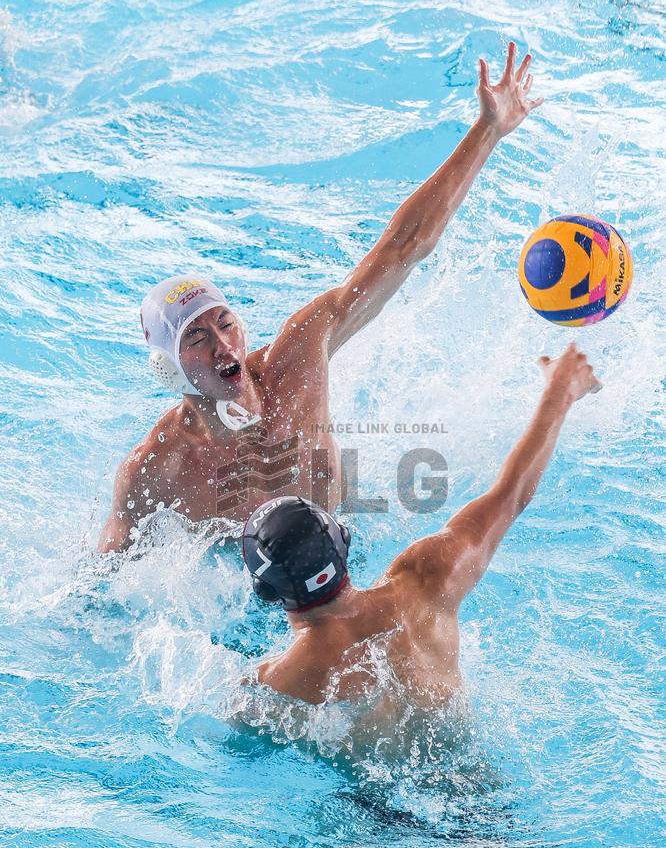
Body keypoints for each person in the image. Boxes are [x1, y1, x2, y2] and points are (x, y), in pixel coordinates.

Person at [98, 42, 543, 553]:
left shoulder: (300, 357)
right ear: (167, 368)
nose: (223, 344)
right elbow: (104, 582)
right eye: (196, 336)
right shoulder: (155, 470)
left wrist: (487, 131)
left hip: (348, 549)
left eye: (225, 322)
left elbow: (401, 250)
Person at [242, 345, 600, 707]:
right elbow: (512, 494)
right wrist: (561, 390)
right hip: (471, 763)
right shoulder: (426, 579)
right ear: (344, 542)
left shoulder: (276, 685)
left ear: (266, 592)